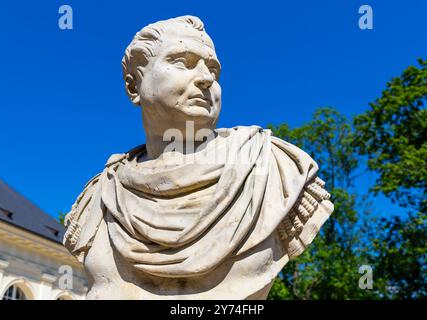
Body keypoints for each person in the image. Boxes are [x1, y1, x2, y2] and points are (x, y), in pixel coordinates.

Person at [63, 15, 333, 299]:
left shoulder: (275, 169)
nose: (206, 79)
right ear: (134, 87)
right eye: (183, 62)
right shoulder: (97, 197)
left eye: (214, 71)